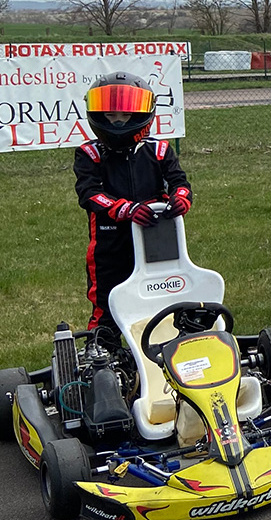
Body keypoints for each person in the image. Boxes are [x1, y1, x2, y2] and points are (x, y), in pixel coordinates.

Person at [75, 72, 191, 334]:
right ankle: (103, 350)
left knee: (166, 295)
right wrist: (127, 209)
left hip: (157, 237)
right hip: (109, 243)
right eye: (110, 116)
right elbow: (89, 193)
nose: (117, 122)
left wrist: (181, 199)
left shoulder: (159, 151)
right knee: (107, 302)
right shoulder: (89, 154)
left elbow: (180, 183)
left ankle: (168, 346)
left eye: (125, 116)